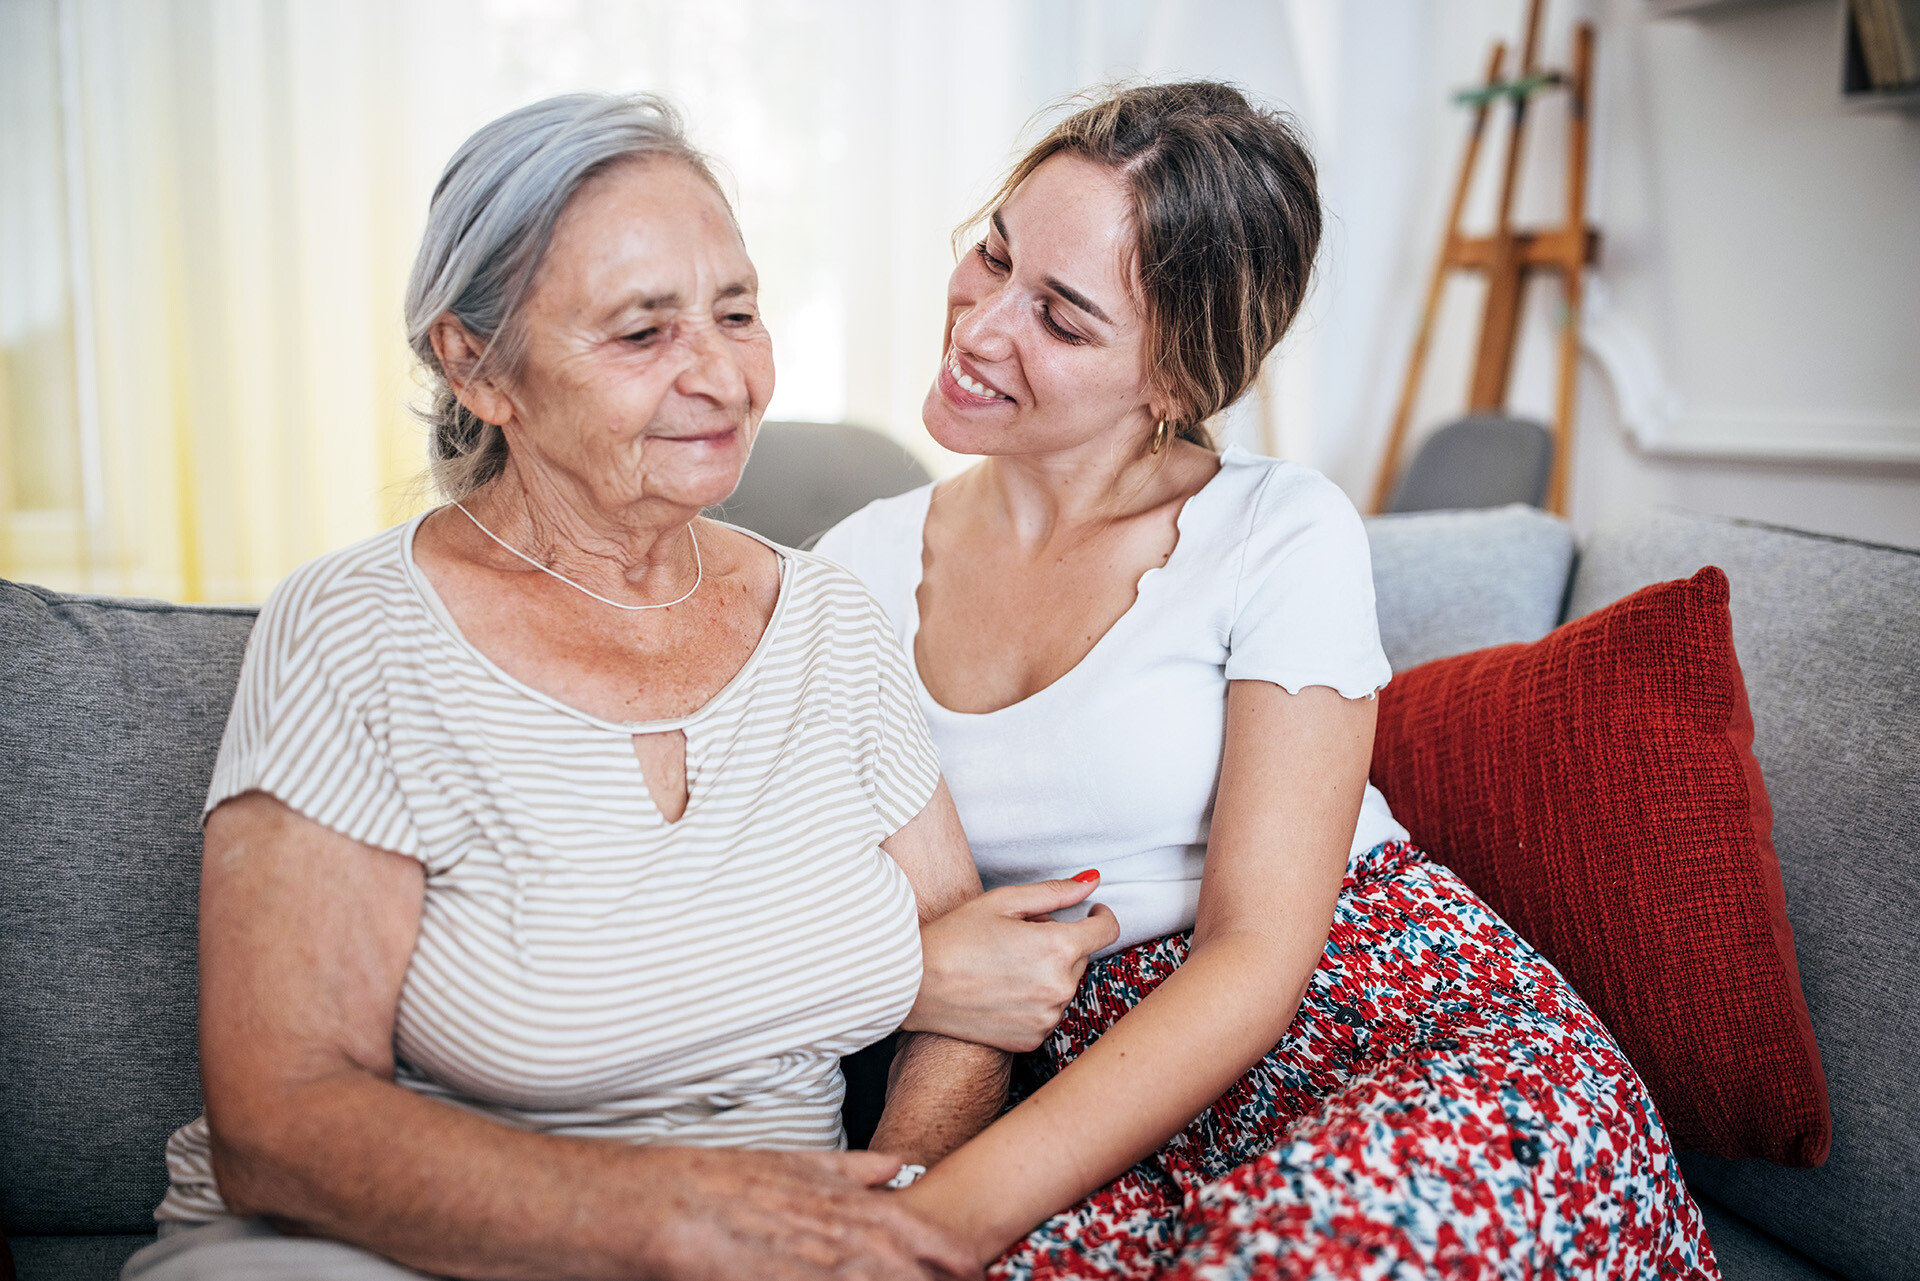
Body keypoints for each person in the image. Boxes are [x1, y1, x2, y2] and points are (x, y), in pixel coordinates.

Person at [121, 92, 1101, 1281]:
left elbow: (970, 999)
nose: (725, 379)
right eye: (642, 334)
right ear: (477, 365)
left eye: (737, 314)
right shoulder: (358, 629)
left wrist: (890, 1218)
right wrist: (664, 1219)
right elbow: (283, 1128)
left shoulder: (832, 621)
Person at [817, 81, 1720, 1277]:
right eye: (993, 255)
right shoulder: (852, 570)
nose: (981, 327)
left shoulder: (1279, 530)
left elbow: (1257, 956)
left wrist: (931, 1223)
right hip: (1112, 1103)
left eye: (1063, 318)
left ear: (1179, 380)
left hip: (1399, 1032)